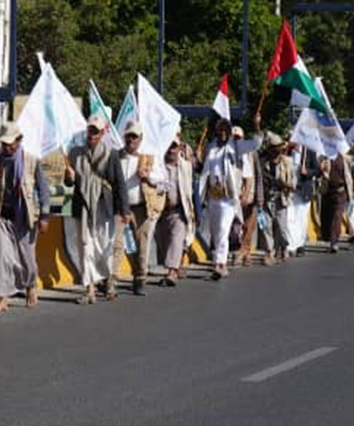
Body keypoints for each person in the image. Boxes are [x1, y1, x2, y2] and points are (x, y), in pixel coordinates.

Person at [0, 123, 50, 312]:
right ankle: (4, 297)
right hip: (3, 215)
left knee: (27, 257)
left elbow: (43, 189)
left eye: (10, 143)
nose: (7, 147)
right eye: (4, 143)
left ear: (18, 141)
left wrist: (44, 216)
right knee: (3, 257)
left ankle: (30, 286)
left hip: (25, 215)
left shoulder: (30, 160)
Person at [65, 115, 126, 303]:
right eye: (90, 130)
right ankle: (89, 289)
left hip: (103, 206)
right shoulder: (75, 154)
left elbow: (119, 183)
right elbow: (69, 183)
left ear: (102, 133)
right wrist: (69, 177)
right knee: (85, 246)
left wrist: (124, 209)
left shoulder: (111, 154)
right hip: (82, 207)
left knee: (103, 246)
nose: (92, 134)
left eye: (96, 131)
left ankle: (109, 282)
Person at [197, 118, 261, 279]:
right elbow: (204, 171)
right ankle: (218, 262)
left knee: (224, 230)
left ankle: (221, 264)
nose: (223, 133)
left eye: (226, 130)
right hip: (213, 196)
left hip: (228, 198)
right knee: (216, 230)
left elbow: (256, 143)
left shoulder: (236, 147)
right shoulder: (211, 149)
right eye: (220, 130)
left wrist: (257, 126)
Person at [111, 120, 165, 296]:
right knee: (117, 244)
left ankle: (139, 278)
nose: (131, 140)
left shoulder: (148, 157)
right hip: (120, 207)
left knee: (142, 246)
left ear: (140, 139)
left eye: (134, 137)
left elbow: (161, 179)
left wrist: (147, 176)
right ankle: (112, 279)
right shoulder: (116, 156)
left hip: (142, 207)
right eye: (128, 136)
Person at [153, 136, 195, 287]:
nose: (171, 149)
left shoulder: (185, 166)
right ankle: (175, 267)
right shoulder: (158, 165)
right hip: (160, 211)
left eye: (174, 146)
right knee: (163, 242)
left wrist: (188, 152)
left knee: (177, 238)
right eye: (169, 146)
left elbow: (198, 164)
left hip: (179, 211)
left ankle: (172, 272)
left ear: (179, 149)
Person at [259, 133, 295, 264]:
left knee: (281, 227)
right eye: (273, 147)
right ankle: (269, 251)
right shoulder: (263, 162)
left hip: (281, 198)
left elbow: (293, 183)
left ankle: (284, 246)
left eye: (278, 147)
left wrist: (285, 185)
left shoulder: (287, 162)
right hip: (266, 198)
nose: (275, 150)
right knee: (266, 226)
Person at [232, 126, 265, 268]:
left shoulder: (252, 153)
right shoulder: (229, 154)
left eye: (238, 138)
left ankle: (246, 253)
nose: (236, 140)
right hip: (233, 196)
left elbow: (257, 175)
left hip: (250, 196)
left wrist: (258, 196)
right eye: (234, 138)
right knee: (235, 227)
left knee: (248, 226)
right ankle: (240, 250)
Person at [319, 148, 352, 253]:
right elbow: (318, 170)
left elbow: (351, 171)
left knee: (337, 216)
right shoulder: (324, 158)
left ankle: (334, 242)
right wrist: (322, 169)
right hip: (328, 191)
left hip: (340, 192)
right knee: (326, 216)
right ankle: (328, 237)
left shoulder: (344, 158)